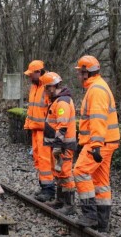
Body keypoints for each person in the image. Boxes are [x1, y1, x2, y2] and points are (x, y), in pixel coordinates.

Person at [73, 55, 120, 232]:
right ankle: (102, 222)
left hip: (100, 143)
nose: (78, 76)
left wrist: (95, 146)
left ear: (86, 73)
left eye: (80, 73)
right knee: (100, 182)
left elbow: (98, 120)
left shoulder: (97, 90)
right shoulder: (97, 87)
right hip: (106, 142)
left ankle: (90, 215)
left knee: (80, 171)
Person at [41, 72, 77, 215]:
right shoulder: (58, 100)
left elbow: (62, 125)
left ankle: (69, 205)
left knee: (66, 173)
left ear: (51, 87)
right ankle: (60, 201)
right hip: (60, 144)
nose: (45, 90)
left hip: (64, 145)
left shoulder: (62, 102)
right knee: (60, 172)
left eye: (46, 87)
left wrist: (58, 143)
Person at [23, 60, 55, 202]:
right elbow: (32, 109)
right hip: (36, 129)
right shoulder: (34, 87)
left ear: (38, 72)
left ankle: (49, 190)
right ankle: (44, 186)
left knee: (45, 160)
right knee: (38, 159)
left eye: (31, 74)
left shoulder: (48, 86)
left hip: (44, 130)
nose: (29, 77)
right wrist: (28, 125)